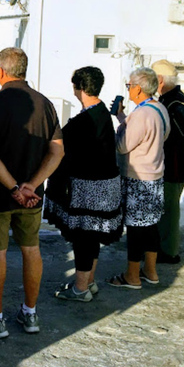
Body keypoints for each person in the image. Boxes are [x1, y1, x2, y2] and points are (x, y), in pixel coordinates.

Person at [0, 47, 63, 338]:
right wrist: (31, 186)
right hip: (32, 198)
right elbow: (57, 151)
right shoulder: (44, 104)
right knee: (31, 249)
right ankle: (30, 314)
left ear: (2, 71)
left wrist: (13, 188)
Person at [44, 67, 123, 302]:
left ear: (79, 87)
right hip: (105, 186)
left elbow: (60, 146)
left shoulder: (84, 120)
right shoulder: (101, 114)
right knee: (92, 236)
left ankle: (80, 289)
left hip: (87, 188)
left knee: (83, 238)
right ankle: (88, 282)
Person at [110, 67, 170, 289]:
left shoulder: (141, 113)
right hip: (155, 175)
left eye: (129, 86)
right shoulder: (159, 109)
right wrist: (123, 117)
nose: (128, 90)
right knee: (151, 225)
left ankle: (132, 275)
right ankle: (150, 271)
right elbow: (160, 135)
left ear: (138, 88)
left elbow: (123, 146)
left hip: (137, 177)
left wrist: (119, 127)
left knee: (135, 228)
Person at [152, 60, 184, 264]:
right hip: (169, 165)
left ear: (160, 80)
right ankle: (163, 247)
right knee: (166, 209)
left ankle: (169, 251)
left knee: (170, 211)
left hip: (174, 165)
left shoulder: (175, 104)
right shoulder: (169, 100)